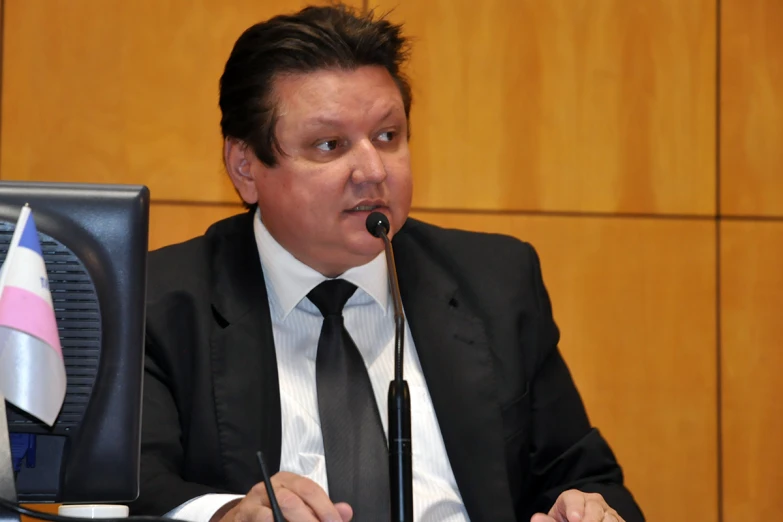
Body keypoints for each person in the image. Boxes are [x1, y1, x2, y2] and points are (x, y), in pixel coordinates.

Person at [131, 4, 645, 522]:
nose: (373, 171)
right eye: (329, 145)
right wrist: (226, 517)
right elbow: (125, 491)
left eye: (387, 137)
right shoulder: (158, 304)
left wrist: (585, 510)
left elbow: (583, 477)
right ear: (245, 167)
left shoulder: (496, 282)